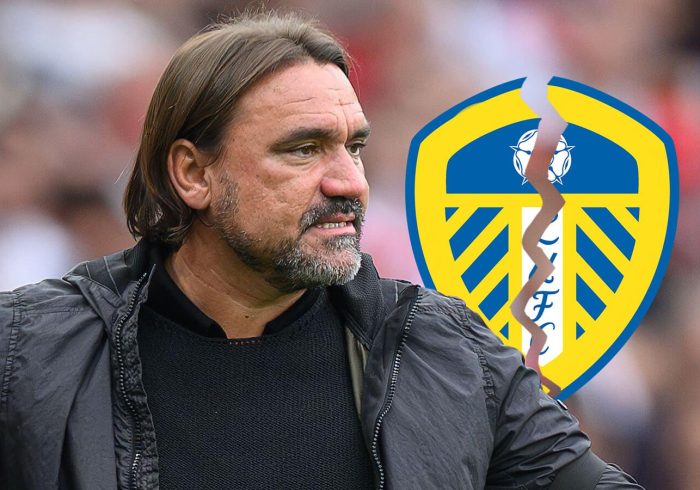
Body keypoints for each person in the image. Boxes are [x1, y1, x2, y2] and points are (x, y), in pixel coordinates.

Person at [0, 11, 643, 490]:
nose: (349, 183)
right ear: (193, 174)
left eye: (353, 147)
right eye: (303, 149)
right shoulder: (27, 352)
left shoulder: (449, 354)